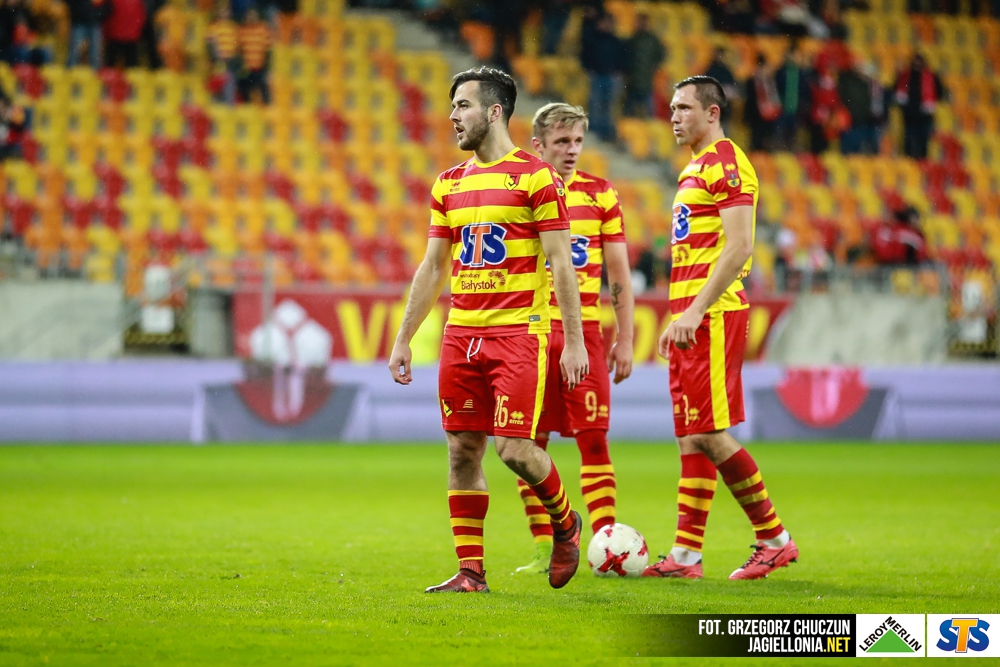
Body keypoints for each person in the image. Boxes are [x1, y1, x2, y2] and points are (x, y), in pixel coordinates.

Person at [388, 67, 589, 594]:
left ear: (494, 112)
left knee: (515, 450)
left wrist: (575, 342)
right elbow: (434, 266)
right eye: (453, 106)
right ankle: (471, 572)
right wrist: (404, 337)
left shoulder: (536, 178)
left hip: (518, 334)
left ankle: (565, 523)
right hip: (462, 336)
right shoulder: (449, 183)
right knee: (462, 451)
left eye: (463, 105)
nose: (452, 116)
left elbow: (561, 264)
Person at [642, 75, 797, 581]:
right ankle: (686, 556)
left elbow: (740, 247)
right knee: (690, 435)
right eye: (672, 108)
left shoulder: (726, 162)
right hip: (691, 316)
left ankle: (774, 538)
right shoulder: (695, 167)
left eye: (684, 108)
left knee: (708, 432)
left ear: (713, 113)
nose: (674, 116)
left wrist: (693, 311)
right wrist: (678, 315)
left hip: (713, 314)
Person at [513, 102, 635, 575]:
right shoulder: (520, 193)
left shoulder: (601, 194)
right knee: (528, 442)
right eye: (562, 141)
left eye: (578, 141)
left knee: (594, 438)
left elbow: (618, 272)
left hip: (583, 332)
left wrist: (625, 338)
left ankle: (607, 547)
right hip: (532, 330)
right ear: (538, 144)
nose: (572, 150)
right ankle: (546, 547)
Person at [580, 11, 624, 141]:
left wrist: (618, 71)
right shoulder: (592, 40)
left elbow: (622, 58)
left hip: (611, 77)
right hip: (597, 76)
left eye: (608, 23)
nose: (605, 25)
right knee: (596, 103)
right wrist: (589, 69)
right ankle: (595, 131)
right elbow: (585, 56)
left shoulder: (616, 41)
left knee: (609, 105)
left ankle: (606, 132)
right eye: (603, 22)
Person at [894, 53, 944, 160]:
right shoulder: (904, 76)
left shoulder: (931, 77)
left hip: (925, 115)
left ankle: (922, 162)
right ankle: (908, 162)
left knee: (923, 141)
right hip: (909, 115)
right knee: (908, 140)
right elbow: (896, 91)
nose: (917, 63)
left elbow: (939, 93)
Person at [622, 13, 665, 118]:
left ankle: (649, 124)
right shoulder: (632, 39)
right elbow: (626, 58)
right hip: (632, 80)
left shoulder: (653, 40)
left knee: (648, 107)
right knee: (630, 108)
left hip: (647, 79)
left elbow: (661, 55)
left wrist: (653, 66)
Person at [207, 4, 239, 104]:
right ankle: (217, 105)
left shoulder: (233, 27)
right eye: (222, 11)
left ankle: (229, 105)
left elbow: (237, 44)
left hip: (230, 60)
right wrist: (217, 55)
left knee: (230, 83)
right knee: (218, 83)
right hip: (218, 60)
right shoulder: (214, 26)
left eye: (226, 11)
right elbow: (210, 42)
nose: (224, 13)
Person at [237, 8, 270, 104]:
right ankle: (248, 109)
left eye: (254, 15)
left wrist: (266, 66)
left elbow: (267, 49)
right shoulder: (242, 30)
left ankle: (266, 109)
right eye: (249, 15)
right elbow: (239, 49)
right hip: (246, 68)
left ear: (258, 17)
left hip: (260, 67)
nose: (251, 18)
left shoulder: (263, 29)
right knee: (244, 89)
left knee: (263, 89)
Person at [102, 0, 145, 68]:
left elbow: (107, 17)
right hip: (131, 36)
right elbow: (141, 17)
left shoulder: (113, 1)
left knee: (111, 61)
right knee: (131, 62)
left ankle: (110, 73)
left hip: (115, 35)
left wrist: (106, 34)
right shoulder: (136, 2)